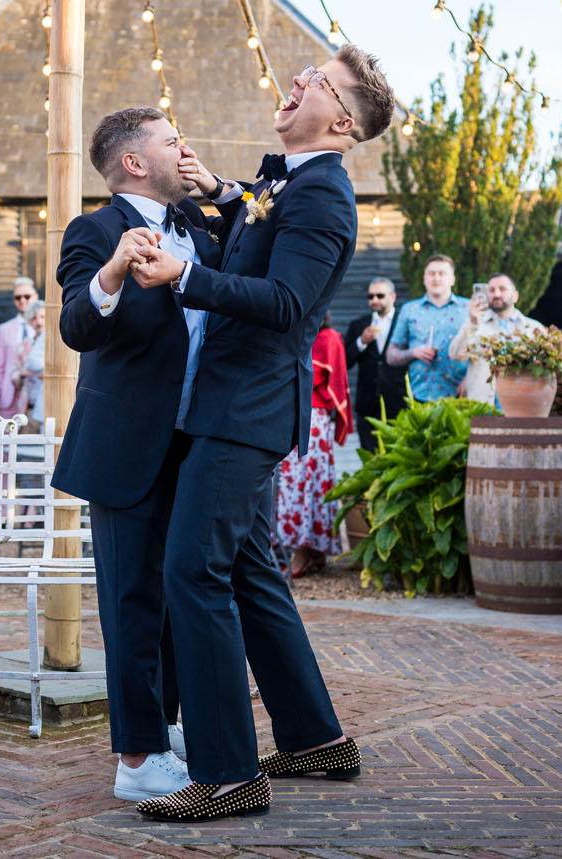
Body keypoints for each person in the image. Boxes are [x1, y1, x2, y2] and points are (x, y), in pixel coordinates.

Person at [128, 44, 396, 822]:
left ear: (343, 119)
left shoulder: (324, 197)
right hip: (230, 402)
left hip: (245, 409)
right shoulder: (291, 182)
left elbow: (285, 302)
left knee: (191, 569)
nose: (299, 81)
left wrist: (184, 277)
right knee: (248, 570)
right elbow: (259, 212)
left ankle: (227, 771)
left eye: (318, 81)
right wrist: (219, 189)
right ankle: (314, 738)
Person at [53, 106, 225, 804]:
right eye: (170, 141)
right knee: (130, 602)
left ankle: (167, 726)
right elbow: (74, 324)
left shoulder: (203, 230)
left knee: (178, 596)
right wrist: (115, 272)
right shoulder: (92, 232)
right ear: (133, 161)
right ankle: (136, 756)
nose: (184, 149)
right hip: (125, 448)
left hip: (198, 445)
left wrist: (218, 189)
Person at [274, 312, 351, 579]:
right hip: (292, 412)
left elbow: (315, 377)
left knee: (305, 483)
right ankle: (308, 551)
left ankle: (306, 549)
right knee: (294, 483)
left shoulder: (328, 337)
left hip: (311, 419)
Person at [448, 272, 543, 406]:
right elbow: (455, 355)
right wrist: (472, 322)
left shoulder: (533, 328)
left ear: (515, 296)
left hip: (521, 404)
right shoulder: (475, 324)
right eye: (492, 290)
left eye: (502, 289)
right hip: (483, 405)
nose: (497, 294)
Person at [385, 254, 468, 403]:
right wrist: (413, 352)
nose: (436, 278)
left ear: (452, 279)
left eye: (442, 273)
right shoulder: (409, 309)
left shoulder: (468, 309)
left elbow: (483, 353)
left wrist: (471, 379)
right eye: (431, 273)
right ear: (424, 279)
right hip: (420, 396)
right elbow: (391, 356)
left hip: (460, 395)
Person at [344, 277, 405, 451]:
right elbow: (345, 362)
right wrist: (361, 342)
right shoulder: (358, 325)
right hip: (367, 402)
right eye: (371, 296)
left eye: (380, 295)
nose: (375, 300)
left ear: (392, 297)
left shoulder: (404, 322)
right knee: (369, 457)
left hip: (397, 400)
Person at [0, 276, 40, 418]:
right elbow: (0, 366)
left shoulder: (45, 325)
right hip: (10, 395)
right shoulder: (5, 328)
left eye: (27, 296)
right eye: (18, 297)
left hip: (36, 394)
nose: (22, 300)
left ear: (35, 297)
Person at [10, 302, 47, 425]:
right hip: (28, 405)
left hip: (48, 403)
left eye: (43, 317)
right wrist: (20, 374)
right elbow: (15, 371)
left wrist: (31, 371)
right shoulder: (24, 345)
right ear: (29, 321)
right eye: (34, 318)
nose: (39, 322)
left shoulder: (53, 345)